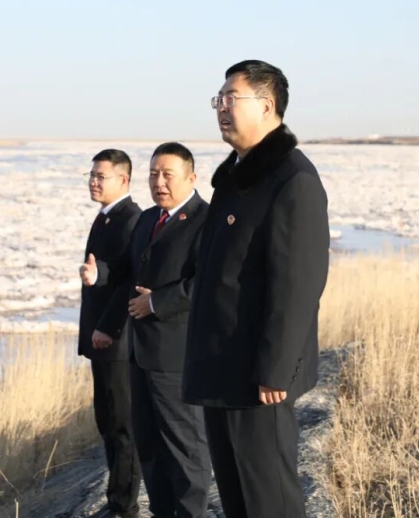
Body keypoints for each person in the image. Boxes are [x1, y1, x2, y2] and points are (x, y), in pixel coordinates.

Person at [182, 60, 330, 518]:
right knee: (237, 498)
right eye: (219, 100)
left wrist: (276, 368)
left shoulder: (292, 180)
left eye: (232, 99)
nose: (221, 108)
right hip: (221, 366)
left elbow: (298, 285)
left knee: (270, 499)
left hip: (257, 376)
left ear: (266, 106)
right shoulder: (237, 177)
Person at [81, 142, 212, 518]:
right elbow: (127, 267)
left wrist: (156, 303)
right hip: (140, 354)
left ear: (191, 177)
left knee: (185, 449)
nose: (159, 182)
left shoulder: (206, 220)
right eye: (154, 174)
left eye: (168, 175)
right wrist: (100, 273)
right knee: (150, 447)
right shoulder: (149, 218)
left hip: (177, 356)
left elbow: (208, 282)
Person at [77, 149, 142, 518]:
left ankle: (124, 506)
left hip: (115, 341)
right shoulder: (106, 217)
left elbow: (131, 280)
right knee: (107, 419)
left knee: (121, 424)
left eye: (101, 176)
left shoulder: (130, 219)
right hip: (101, 339)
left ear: (123, 180)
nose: (93, 182)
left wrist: (108, 327)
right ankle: (116, 499)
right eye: (92, 175)